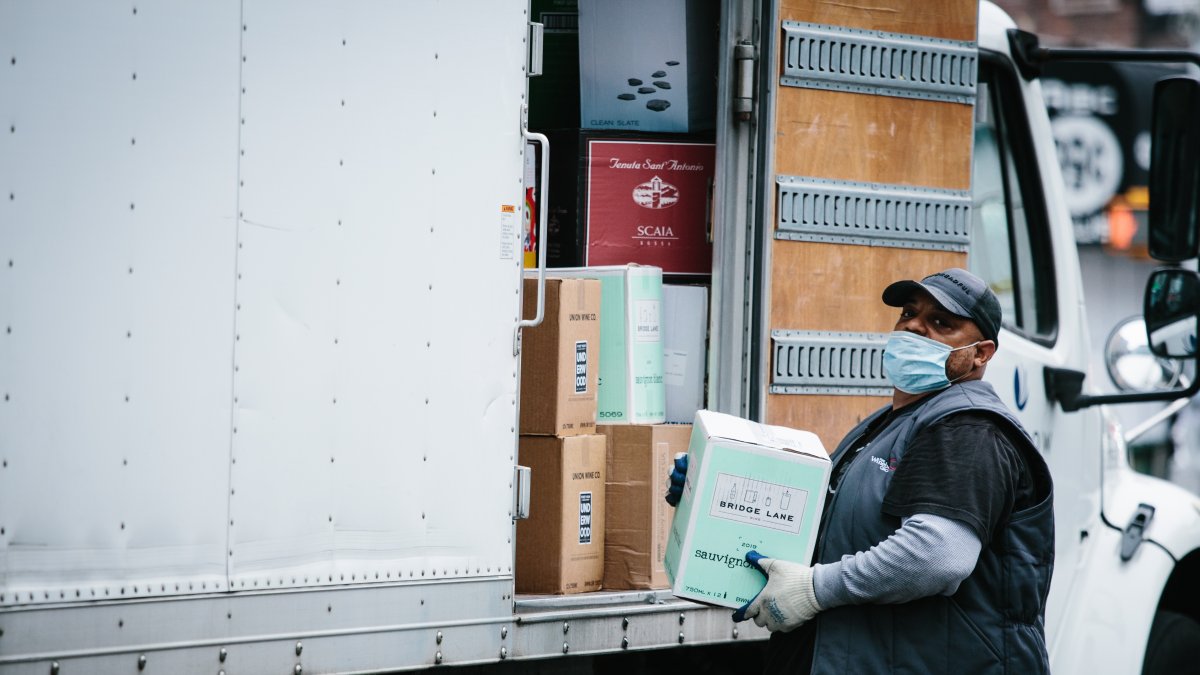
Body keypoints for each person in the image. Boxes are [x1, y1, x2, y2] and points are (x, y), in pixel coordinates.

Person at [667, 268, 1054, 674]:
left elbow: (938, 556)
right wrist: (708, 493)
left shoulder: (968, 429)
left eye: (942, 323)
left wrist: (816, 589)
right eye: (909, 314)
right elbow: (830, 532)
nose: (915, 328)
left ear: (982, 353)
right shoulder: (890, 423)